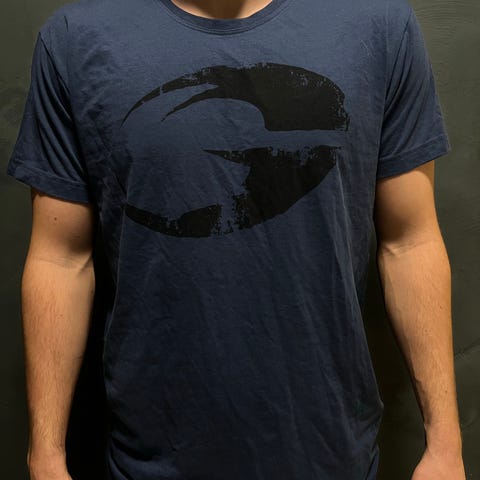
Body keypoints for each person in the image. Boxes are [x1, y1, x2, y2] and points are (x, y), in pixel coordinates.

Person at [6, 0, 466, 478]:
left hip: (331, 453)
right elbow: (60, 259)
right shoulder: (77, 39)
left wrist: (445, 444)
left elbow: (410, 243)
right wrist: (46, 457)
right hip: (152, 458)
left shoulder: (379, 26)